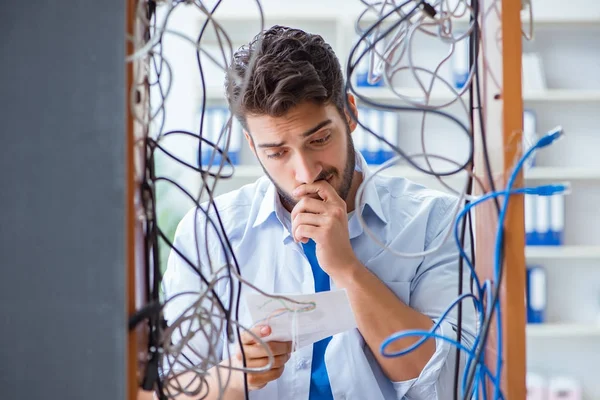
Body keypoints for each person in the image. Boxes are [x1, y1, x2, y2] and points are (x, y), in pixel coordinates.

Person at [162, 25, 476, 400]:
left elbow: (450, 385)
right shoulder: (208, 231)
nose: (306, 172)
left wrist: (348, 270)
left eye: (320, 139)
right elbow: (167, 389)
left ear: (350, 113)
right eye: (277, 153)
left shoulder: (434, 222)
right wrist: (234, 376)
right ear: (251, 144)